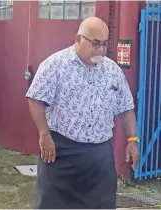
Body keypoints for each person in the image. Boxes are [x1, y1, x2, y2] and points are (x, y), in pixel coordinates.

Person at [26, 17, 140, 209]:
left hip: (99, 154)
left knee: (102, 205)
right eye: (96, 44)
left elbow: (126, 108)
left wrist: (132, 141)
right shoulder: (55, 65)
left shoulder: (113, 71)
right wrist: (44, 134)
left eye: (105, 44)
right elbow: (35, 99)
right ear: (78, 39)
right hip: (61, 151)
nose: (101, 50)